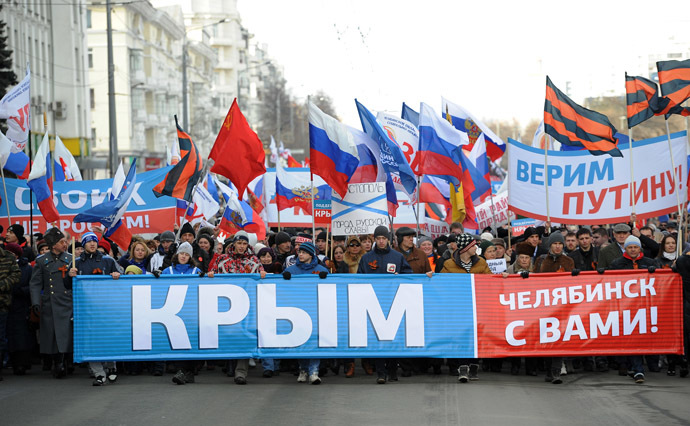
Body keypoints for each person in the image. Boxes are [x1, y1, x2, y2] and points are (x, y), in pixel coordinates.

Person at [357, 225, 413, 384]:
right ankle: (381, 373)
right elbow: (359, 278)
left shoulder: (397, 256)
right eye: (378, 238)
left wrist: (399, 276)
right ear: (375, 239)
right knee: (377, 338)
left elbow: (409, 275)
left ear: (388, 239)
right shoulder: (367, 258)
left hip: (394, 301)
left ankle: (393, 370)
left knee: (393, 337)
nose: (381, 241)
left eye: (384, 238)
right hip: (373, 302)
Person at [209, 231, 266, 385]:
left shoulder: (254, 261)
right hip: (226, 304)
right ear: (234, 243)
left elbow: (261, 280)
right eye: (239, 243)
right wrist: (211, 275)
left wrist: (263, 275)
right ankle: (229, 364)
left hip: (247, 305)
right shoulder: (222, 260)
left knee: (244, 336)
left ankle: (241, 372)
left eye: (244, 243)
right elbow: (212, 274)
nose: (241, 246)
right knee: (228, 334)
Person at [69, 232, 121, 386]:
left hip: (106, 307)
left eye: (94, 241)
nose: (92, 244)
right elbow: (66, 285)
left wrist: (118, 275)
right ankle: (98, 373)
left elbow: (122, 276)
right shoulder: (76, 262)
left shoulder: (108, 260)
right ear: (83, 244)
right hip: (86, 307)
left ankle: (111, 368)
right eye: (88, 241)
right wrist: (69, 276)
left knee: (108, 337)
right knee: (90, 340)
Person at [608, 236, 658, 384]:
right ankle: (636, 369)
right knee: (630, 337)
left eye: (635, 247)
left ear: (639, 248)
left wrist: (654, 272)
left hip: (645, 307)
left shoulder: (649, 262)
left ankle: (639, 366)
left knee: (641, 337)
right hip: (625, 307)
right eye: (630, 247)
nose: (633, 250)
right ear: (626, 248)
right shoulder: (617, 264)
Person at [440, 234, 491, 382]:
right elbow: (441, 284)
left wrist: (503, 277)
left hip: (477, 307)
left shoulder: (481, 263)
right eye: (474, 245)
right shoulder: (449, 265)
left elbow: (490, 282)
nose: (476, 247)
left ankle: (473, 364)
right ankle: (463, 367)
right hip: (458, 308)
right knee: (461, 337)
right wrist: (430, 276)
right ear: (466, 248)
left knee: (475, 337)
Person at [29, 228, 73, 379]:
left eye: (65, 241)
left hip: (68, 302)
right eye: (62, 242)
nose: (65, 244)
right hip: (50, 303)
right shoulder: (42, 261)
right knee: (53, 335)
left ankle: (65, 361)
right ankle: (56, 362)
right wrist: (35, 302)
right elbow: (35, 284)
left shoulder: (71, 259)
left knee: (66, 334)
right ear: (53, 245)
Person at [283, 241, 328, 385]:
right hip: (298, 311)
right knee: (301, 341)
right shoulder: (292, 270)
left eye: (303, 252)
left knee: (314, 340)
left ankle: (314, 371)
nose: (300, 255)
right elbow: (280, 286)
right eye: (299, 252)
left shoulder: (321, 269)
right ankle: (303, 369)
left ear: (310, 254)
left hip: (315, 310)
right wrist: (284, 278)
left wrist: (325, 278)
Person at [533, 233, 574, 384]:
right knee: (546, 338)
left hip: (562, 306)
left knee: (558, 338)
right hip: (544, 305)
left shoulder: (568, 261)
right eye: (555, 244)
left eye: (560, 244)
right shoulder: (542, 260)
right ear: (550, 245)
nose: (558, 246)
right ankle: (549, 371)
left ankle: (556, 372)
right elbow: (535, 279)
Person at [4, 243, 35, 376]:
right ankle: (12, 361)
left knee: (21, 337)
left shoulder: (27, 268)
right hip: (7, 305)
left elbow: (32, 286)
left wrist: (20, 291)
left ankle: (22, 364)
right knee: (9, 336)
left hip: (21, 306)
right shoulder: (5, 266)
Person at [0, 242, 22, 381]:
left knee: (0, 338)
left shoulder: (8, 257)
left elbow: (16, 275)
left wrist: (2, 285)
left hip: (2, 304)